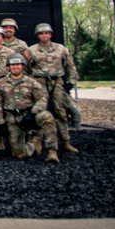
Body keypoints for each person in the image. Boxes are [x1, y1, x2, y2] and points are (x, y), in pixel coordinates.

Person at [0, 54, 60, 163]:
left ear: (22, 66)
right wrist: (1, 122)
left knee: (47, 117)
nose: (15, 67)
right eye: (12, 65)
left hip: (30, 114)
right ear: (8, 67)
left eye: (18, 64)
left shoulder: (32, 82)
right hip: (13, 117)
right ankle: (33, 144)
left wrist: (33, 113)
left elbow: (42, 99)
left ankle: (52, 152)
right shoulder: (0, 84)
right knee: (18, 154)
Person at [27, 23, 80, 154]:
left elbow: (70, 66)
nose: (44, 35)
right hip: (40, 82)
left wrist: (71, 82)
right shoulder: (31, 50)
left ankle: (66, 141)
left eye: (46, 33)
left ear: (50, 34)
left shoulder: (61, 49)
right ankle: (37, 141)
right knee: (39, 111)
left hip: (57, 82)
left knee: (61, 111)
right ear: (37, 35)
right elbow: (26, 69)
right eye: (41, 33)